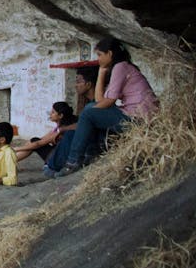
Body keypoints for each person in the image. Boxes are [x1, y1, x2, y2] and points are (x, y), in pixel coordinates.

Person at [58, 38, 159, 176]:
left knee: (89, 113)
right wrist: (101, 72)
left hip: (139, 119)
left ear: (110, 54)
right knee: (92, 108)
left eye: (100, 54)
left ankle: (73, 161)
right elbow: (100, 100)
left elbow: (109, 101)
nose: (98, 59)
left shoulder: (120, 67)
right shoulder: (124, 66)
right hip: (136, 116)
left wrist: (89, 112)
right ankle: (92, 153)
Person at [14, 102, 78, 176]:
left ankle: (9, 161)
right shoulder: (58, 128)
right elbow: (42, 139)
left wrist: (16, 149)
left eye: (53, 112)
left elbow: (39, 143)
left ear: (60, 115)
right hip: (56, 154)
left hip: (56, 158)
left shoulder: (60, 131)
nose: (50, 113)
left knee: (34, 142)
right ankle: (10, 160)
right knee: (33, 141)